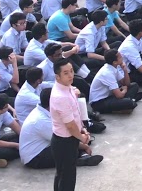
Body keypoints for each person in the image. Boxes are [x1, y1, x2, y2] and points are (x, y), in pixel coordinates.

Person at [50, 57, 86, 191]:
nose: (71, 75)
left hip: (68, 139)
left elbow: (76, 113)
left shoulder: (67, 87)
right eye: (66, 73)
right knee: (67, 177)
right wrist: (82, 138)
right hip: (64, 141)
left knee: (63, 174)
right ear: (57, 76)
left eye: (71, 71)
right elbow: (70, 125)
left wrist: (83, 129)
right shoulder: (60, 96)